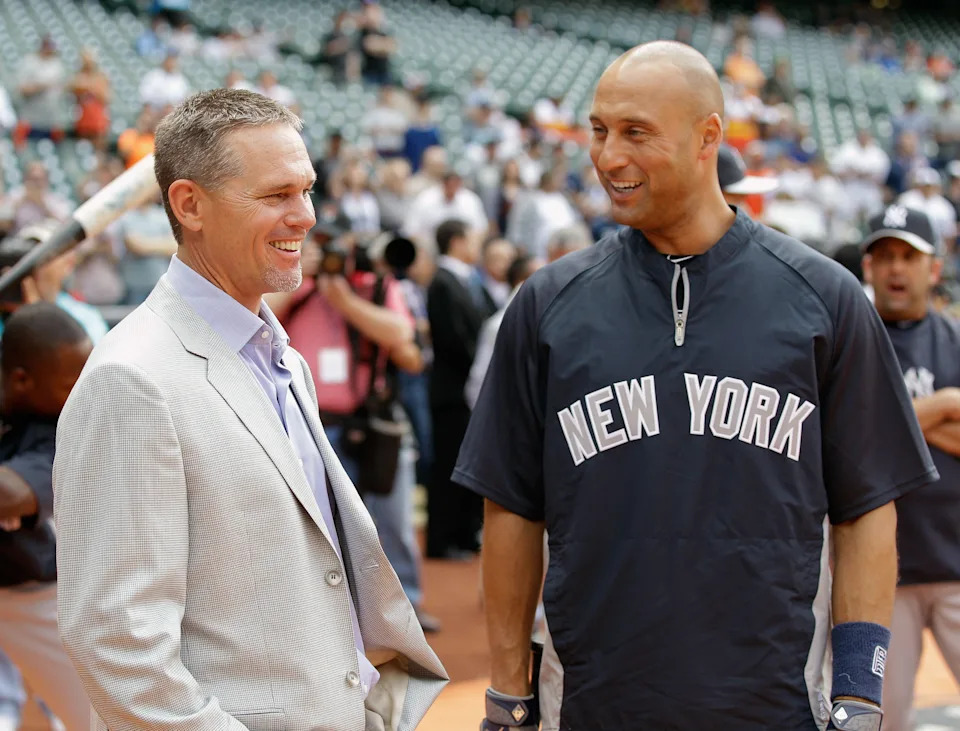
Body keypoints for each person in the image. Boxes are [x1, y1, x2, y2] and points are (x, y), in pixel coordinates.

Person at [455, 41, 937, 731]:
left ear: (709, 135)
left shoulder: (824, 298)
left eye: (635, 132)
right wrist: (508, 689)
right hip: (593, 702)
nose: (607, 156)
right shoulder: (548, 304)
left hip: (774, 703)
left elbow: (865, 504)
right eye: (599, 130)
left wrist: (860, 690)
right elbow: (511, 505)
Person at [54, 88, 446, 731]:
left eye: (306, 189)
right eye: (275, 195)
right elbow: (118, 644)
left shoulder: (275, 350)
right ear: (190, 204)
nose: (306, 217)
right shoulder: (132, 380)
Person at [860, 206, 960, 731]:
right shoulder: (854, 337)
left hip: (955, 558)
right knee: (884, 719)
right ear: (869, 268)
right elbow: (849, 433)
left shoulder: (954, 340)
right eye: (885, 257)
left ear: (934, 269)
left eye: (908, 257)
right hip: (880, 571)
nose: (897, 269)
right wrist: (943, 404)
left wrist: (889, 420)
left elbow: (874, 427)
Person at [0, 303, 93, 731]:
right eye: (70, 382)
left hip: (34, 597)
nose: (83, 393)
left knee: (100, 717)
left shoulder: (64, 428)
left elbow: (11, 495)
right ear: (21, 379)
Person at [426, 218, 489, 560]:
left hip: (465, 391)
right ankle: (441, 541)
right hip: (452, 393)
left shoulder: (460, 281)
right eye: (472, 239)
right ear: (456, 241)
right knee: (449, 466)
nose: (476, 246)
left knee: (466, 465)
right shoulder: (443, 282)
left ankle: (464, 535)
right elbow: (454, 340)